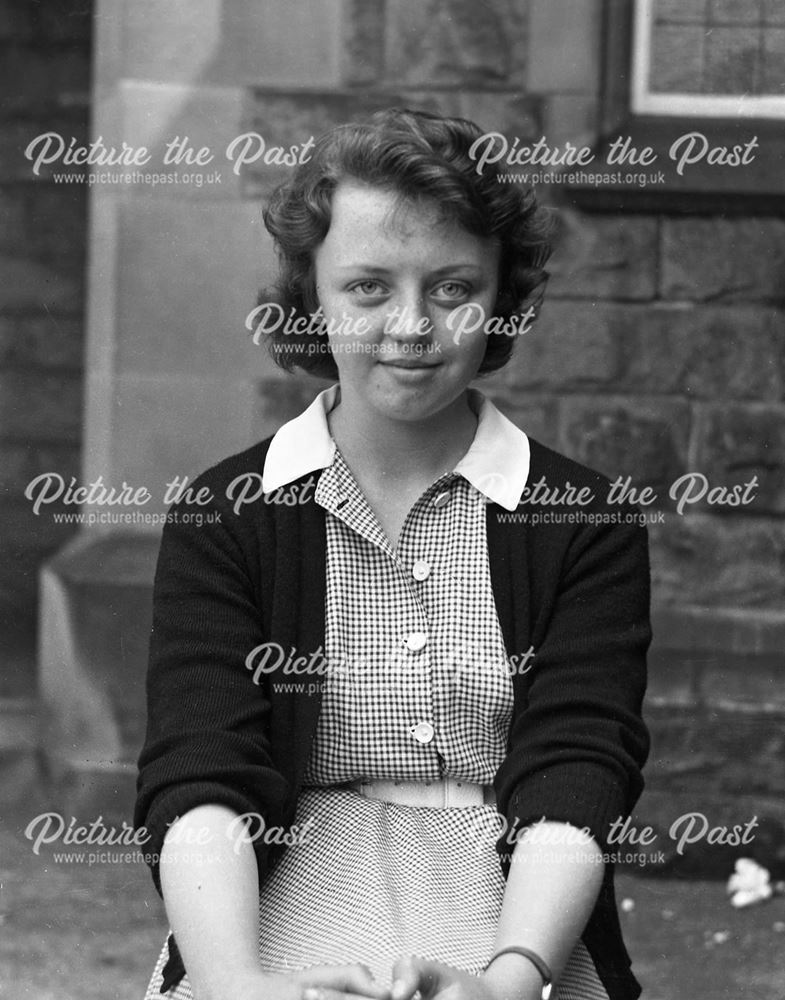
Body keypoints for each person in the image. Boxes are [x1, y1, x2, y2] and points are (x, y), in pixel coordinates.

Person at [135, 108, 650, 1000]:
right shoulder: (227, 515)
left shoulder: (584, 520)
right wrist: (237, 983)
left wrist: (509, 979)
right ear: (310, 299)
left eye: (452, 288)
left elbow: (578, 769)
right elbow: (199, 768)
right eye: (367, 288)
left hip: (518, 896)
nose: (410, 327)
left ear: (501, 300)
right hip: (278, 880)